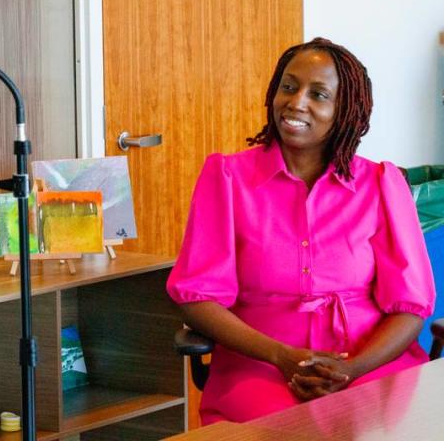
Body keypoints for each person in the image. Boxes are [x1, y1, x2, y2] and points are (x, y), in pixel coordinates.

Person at [167, 37, 435, 424]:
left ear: (344, 111)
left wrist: (352, 369)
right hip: (260, 365)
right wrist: (279, 355)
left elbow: (410, 309)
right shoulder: (227, 178)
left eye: (319, 94)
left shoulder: (380, 183)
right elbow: (197, 297)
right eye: (288, 87)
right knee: (282, 430)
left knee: (385, 428)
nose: (296, 102)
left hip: (368, 365)